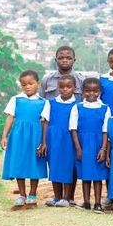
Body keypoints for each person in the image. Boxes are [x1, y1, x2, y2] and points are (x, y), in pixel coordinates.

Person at [1, 70, 49, 207]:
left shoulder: (43, 102)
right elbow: (10, 118)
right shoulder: (16, 99)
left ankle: (33, 194)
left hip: (36, 136)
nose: (27, 86)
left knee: (34, 163)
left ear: (38, 84)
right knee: (18, 162)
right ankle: (22, 195)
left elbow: (45, 122)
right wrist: (4, 136)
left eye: (30, 83)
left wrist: (43, 142)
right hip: (18, 136)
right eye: (24, 84)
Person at [69, 78, 111, 213]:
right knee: (85, 174)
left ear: (100, 92)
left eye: (95, 91)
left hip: (98, 145)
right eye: (87, 91)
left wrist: (103, 149)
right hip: (83, 145)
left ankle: (98, 203)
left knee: (98, 175)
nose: (91, 94)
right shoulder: (77, 107)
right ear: (83, 91)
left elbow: (105, 130)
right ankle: (86, 202)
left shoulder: (105, 108)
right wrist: (78, 148)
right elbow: (73, 129)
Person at [45, 75, 79, 207]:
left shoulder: (77, 105)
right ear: (58, 88)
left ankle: (67, 198)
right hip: (53, 138)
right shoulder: (51, 103)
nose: (65, 89)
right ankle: (57, 196)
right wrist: (44, 142)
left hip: (69, 138)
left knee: (68, 166)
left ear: (74, 88)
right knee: (54, 165)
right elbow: (45, 122)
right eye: (62, 87)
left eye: (68, 87)